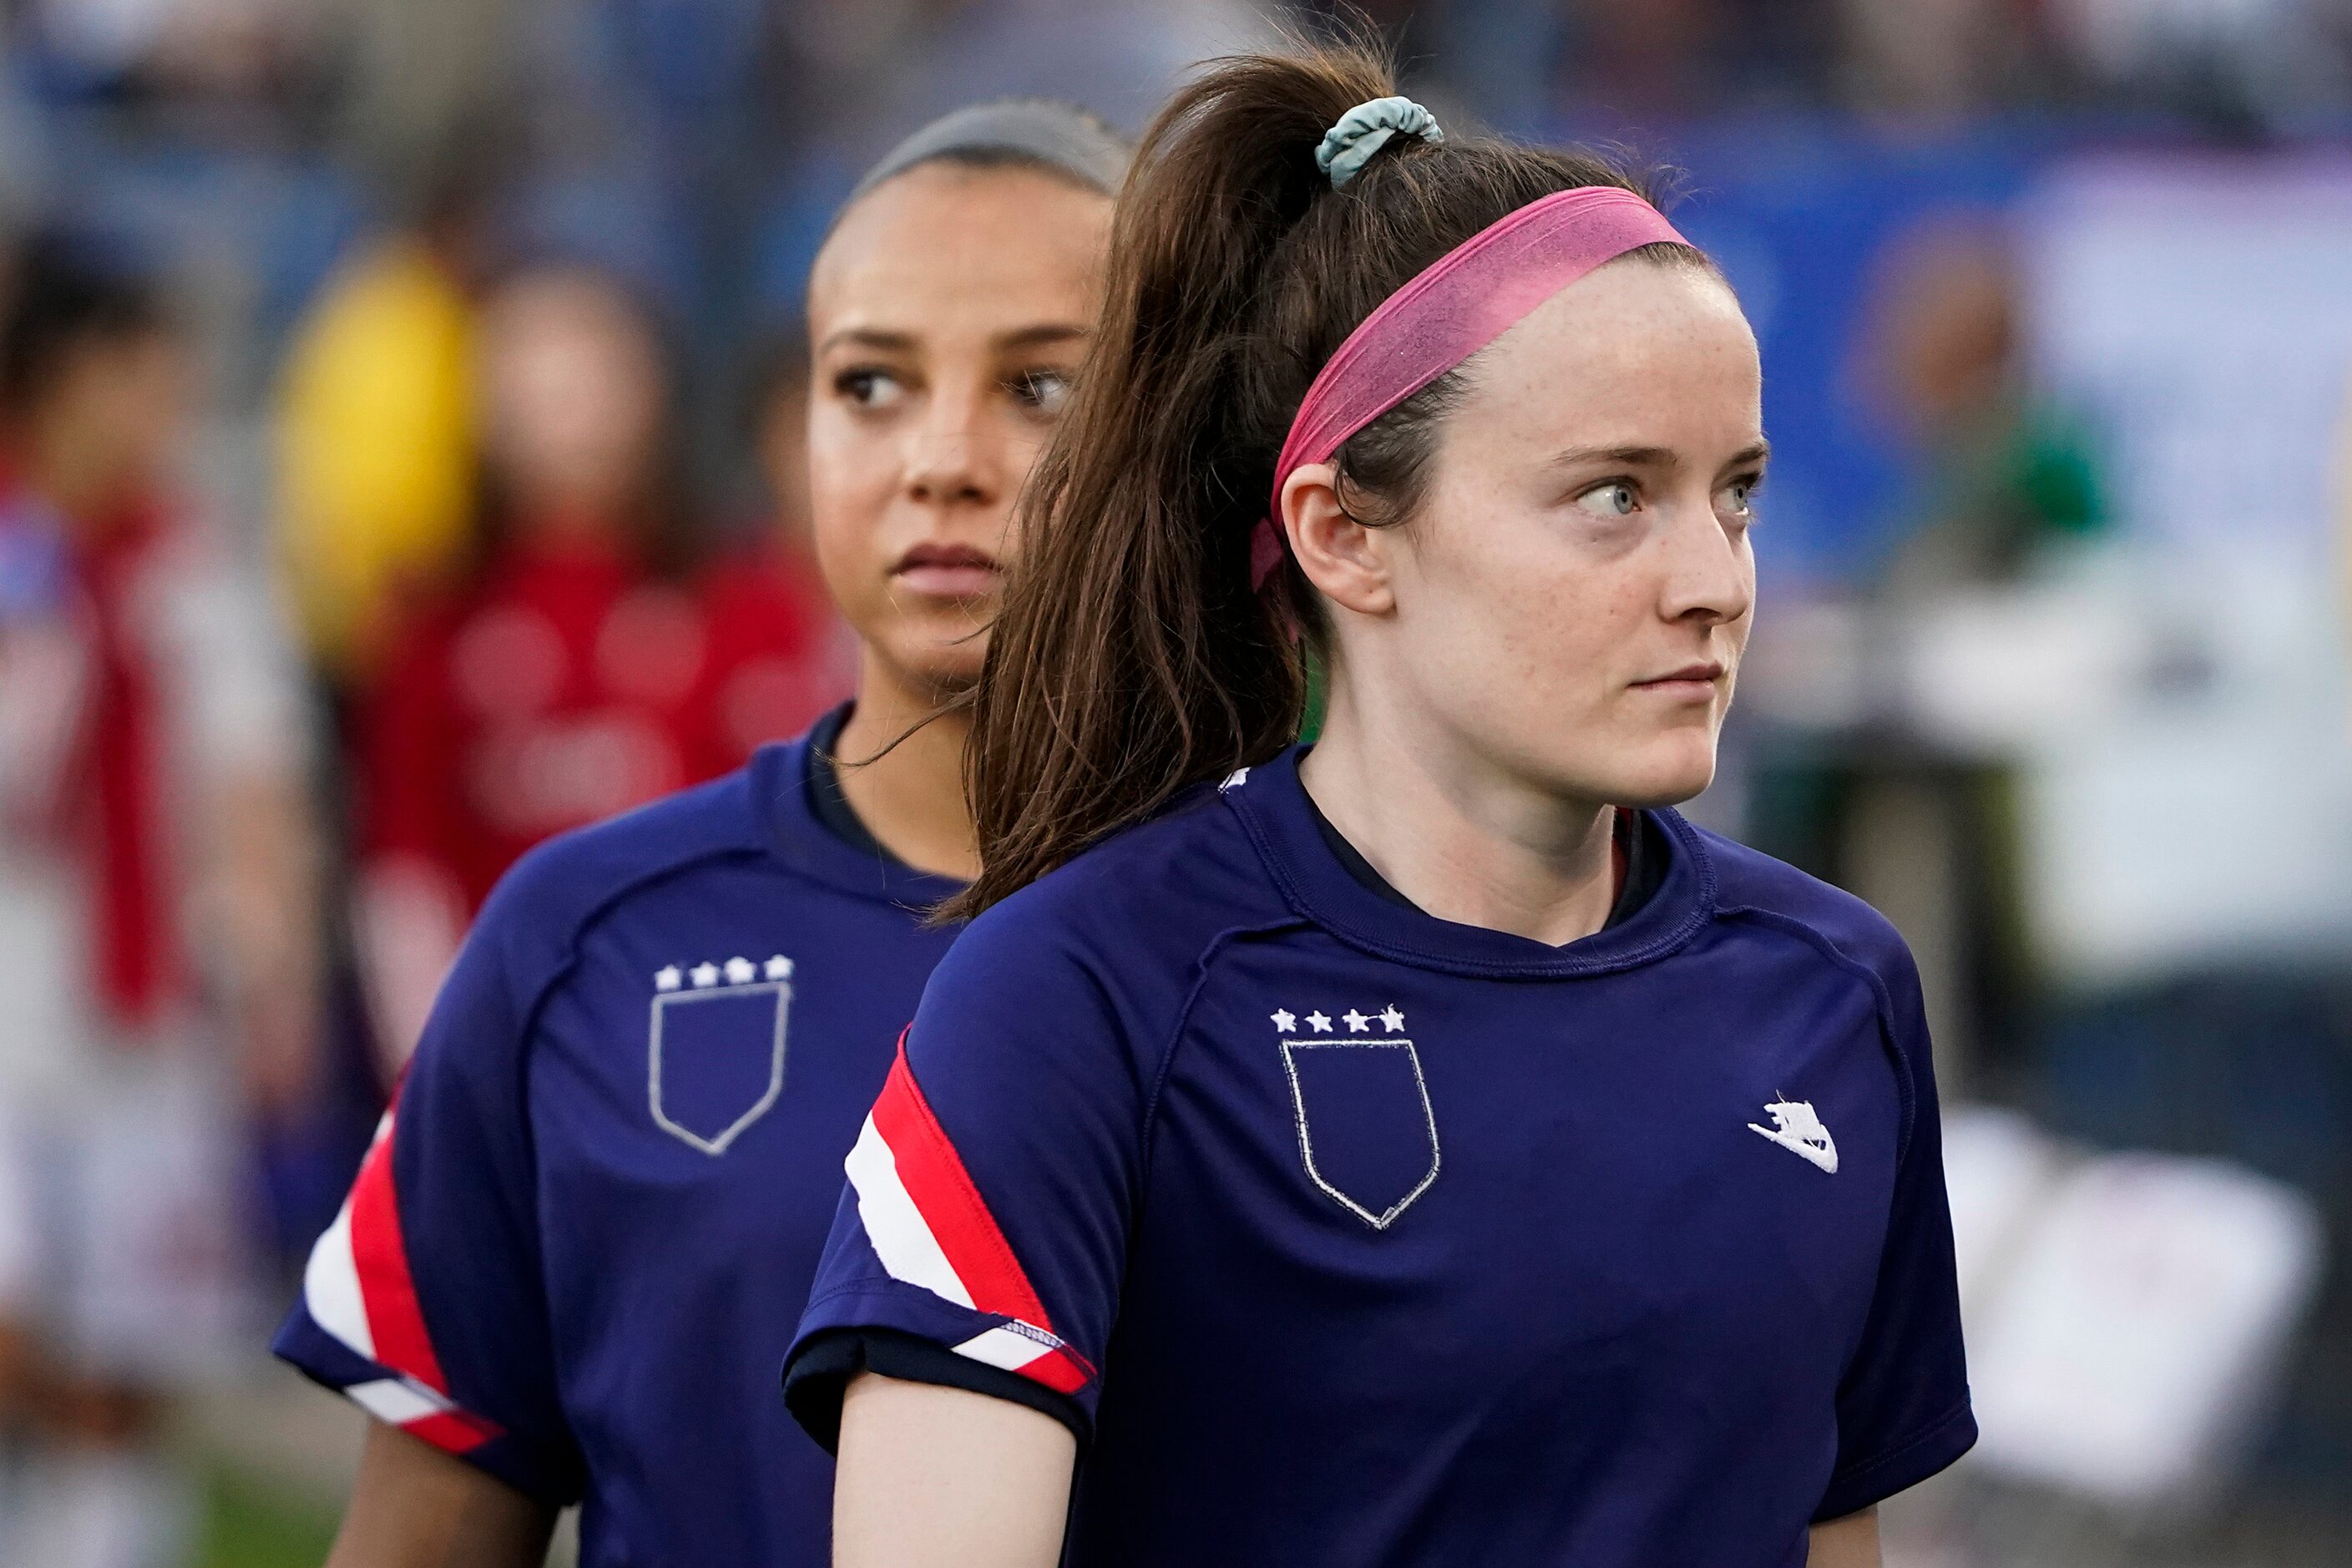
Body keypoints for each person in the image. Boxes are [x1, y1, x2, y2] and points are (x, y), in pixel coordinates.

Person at [782, 42, 1975, 1568]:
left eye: (1731, 489)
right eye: (1613, 493)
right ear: (1343, 535)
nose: (1712, 581)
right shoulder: (1070, 994)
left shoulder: (1836, 990)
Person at [271, 100, 1125, 1568]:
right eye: (870, 382)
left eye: (1038, 387)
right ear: (788, 436)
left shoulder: (1327, 928)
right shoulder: (577, 940)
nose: (941, 457)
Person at [0, 235, 320, 1567]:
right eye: (143, 371)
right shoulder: (21, 553)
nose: (169, 404)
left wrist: (276, 976)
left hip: (144, 1005)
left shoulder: (193, 561)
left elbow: (253, 775)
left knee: (134, 1346)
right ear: (70, 375)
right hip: (15, 983)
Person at [350, 260, 840, 1075]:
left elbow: (810, 840)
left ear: (653, 382)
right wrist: (437, 1062)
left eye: (591, 361)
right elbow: (404, 870)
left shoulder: (748, 602)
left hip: (722, 1049)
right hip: (514, 1055)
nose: (565, 400)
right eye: (531, 366)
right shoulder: (435, 621)